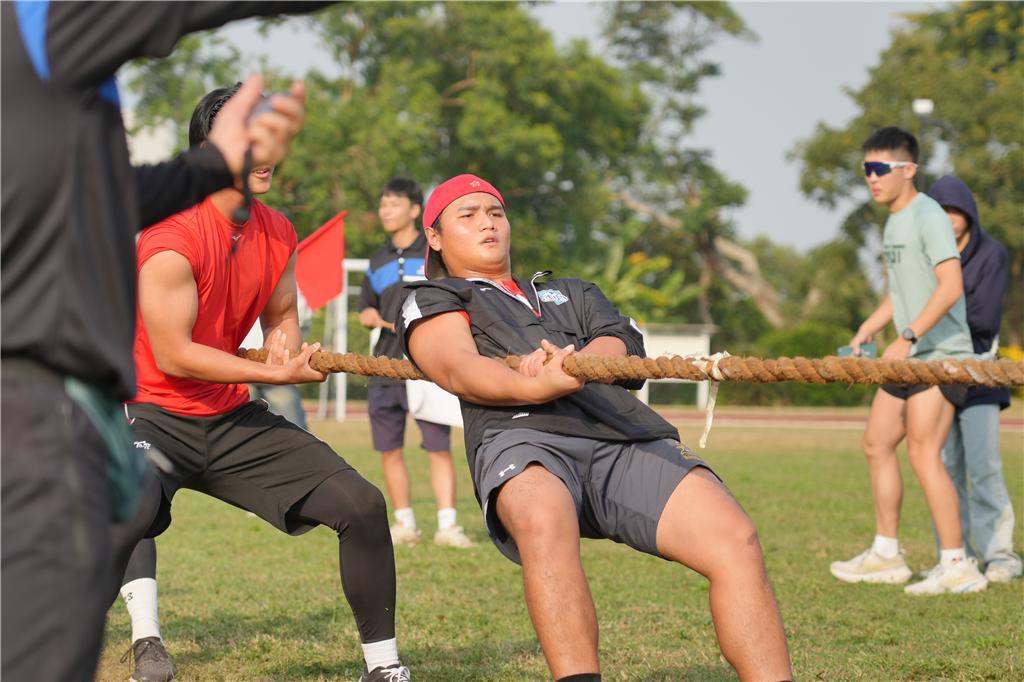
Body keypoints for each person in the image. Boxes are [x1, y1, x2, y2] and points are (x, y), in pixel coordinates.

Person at [0, 3, 336, 680]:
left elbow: (98, 199)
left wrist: (213, 166)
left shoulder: (44, 95)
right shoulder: (35, 20)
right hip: (30, 405)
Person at [397, 174, 792, 682]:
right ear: (434, 237)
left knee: (735, 538)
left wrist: (572, 367)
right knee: (542, 520)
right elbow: (457, 367)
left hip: (623, 438)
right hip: (521, 436)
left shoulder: (571, 291)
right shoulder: (434, 296)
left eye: (494, 212)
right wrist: (536, 387)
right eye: (467, 215)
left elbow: (622, 346)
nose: (486, 223)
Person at [109, 84, 412, 682]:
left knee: (362, 505)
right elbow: (174, 355)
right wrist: (272, 371)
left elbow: (280, 315)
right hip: (150, 409)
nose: (266, 151)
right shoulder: (170, 234)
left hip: (227, 416)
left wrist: (286, 343)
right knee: (133, 503)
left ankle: (384, 669)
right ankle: (114, 643)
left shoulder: (278, 232)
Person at [830, 127, 988, 595]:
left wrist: (909, 334)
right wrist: (869, 328)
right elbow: (900, 292)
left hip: (940, 356)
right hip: (906, 353)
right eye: (866, 170)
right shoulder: (893, 221)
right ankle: (886, 555)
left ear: (909, 170)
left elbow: (950, 287)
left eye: (881, 169)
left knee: (923, 453)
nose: (871, 178)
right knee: (876, 444)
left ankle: (958, 565)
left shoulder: (929, 216)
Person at [358, 177, 473, 549]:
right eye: (382, 204)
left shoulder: (436, 253)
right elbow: (365, 308)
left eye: (393, 204)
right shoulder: (376, 261)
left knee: (438, 446)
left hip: (428, 370)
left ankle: (448, 527)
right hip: (384, 369)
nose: (385, 211)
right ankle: (404, 524)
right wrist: (372, 315)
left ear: (413, 209)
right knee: (390, 449)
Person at [926, 175, 1021, 583]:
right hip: (937, 374)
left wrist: (935, 310)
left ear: (968, 213)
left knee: (983, 467)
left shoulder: (991, 253)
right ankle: (955, 555)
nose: (948, 219)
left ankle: (1001, 555)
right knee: (945, 466)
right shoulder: (927, 253)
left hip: (980, 373)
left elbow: (983, 317)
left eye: (955, 210)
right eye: (940, 211)